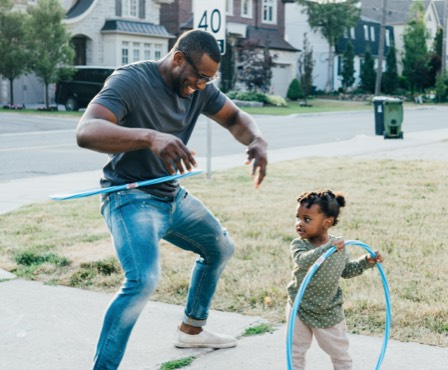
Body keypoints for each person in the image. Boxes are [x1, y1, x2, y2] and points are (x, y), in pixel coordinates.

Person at [75, 29, 268, 370]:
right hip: (129, 196)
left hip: (170, 195)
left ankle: (191, 330)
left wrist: (256, 140)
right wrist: (149, 137)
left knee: (220, 248)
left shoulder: (200, 87)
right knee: (143, 281)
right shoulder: (130, 81)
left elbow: (236, 118)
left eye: (209, 79)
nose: (202, 86)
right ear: (178, 59)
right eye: (199, 77)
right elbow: (87, 132)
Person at [286, 190, 383, 370]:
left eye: (307, 219)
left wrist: (366, 261)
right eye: (297, 217)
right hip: (299, 305)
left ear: (327, 223)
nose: (299, 223)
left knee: (339, 353)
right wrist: (326, 248)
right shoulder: (299, 245)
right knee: (295, 351)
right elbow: (302, 260)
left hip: (327, 309)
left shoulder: (338, 247)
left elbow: (345, 271)